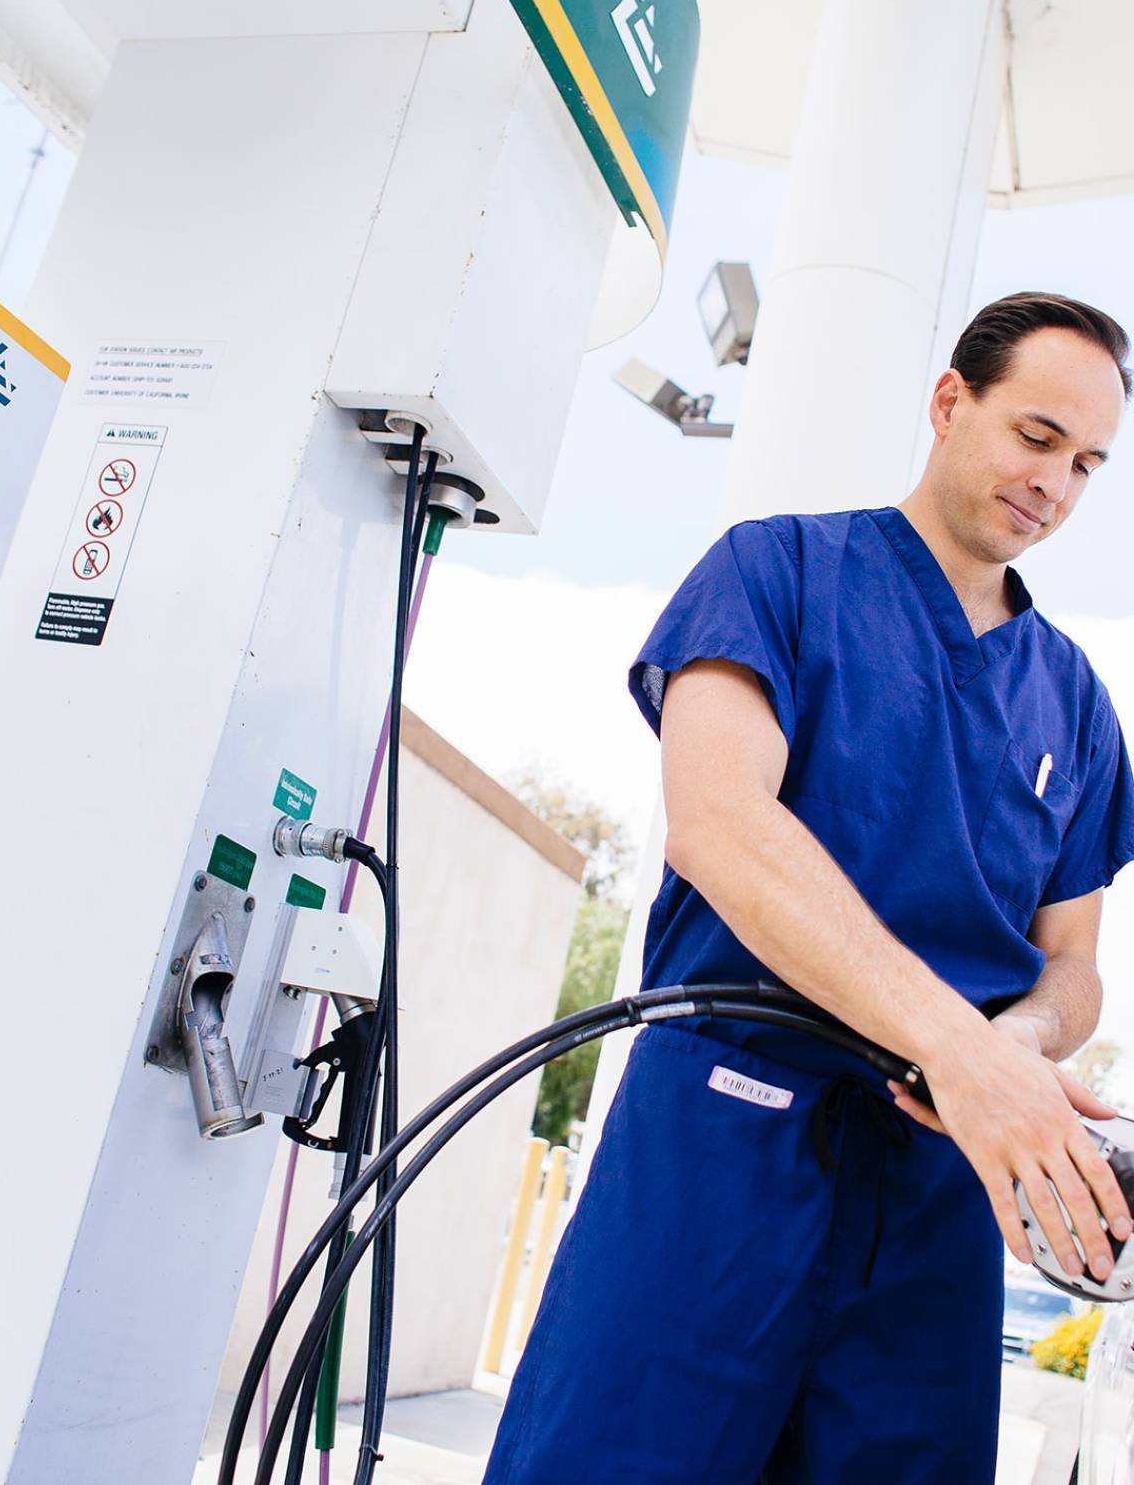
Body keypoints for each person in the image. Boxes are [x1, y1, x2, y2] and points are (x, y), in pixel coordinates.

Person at [481, 293, 1134, 1484]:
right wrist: (962, 1048)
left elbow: (1075, 963)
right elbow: (719, 826)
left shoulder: (1077, 704)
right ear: (950, 403)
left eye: (1088, 465)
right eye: (1037, 437)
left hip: (938, 1182)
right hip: (720, 1139)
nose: (1057, 483)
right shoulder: (776, 571)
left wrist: (1021, 1048)